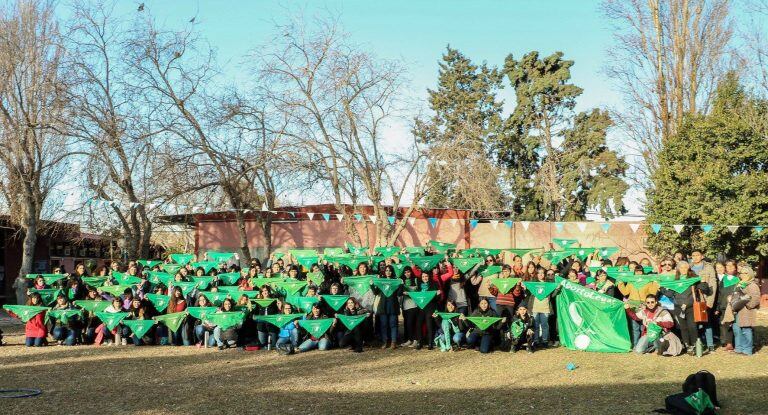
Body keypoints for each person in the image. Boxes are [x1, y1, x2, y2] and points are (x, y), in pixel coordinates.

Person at [659, 261, 711, 355]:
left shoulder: (693, 278)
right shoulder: (675, 280)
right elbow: (670, 294)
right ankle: (688, 346)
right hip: (678, 307)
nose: (683, 269)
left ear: (688, 269)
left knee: (692, 326)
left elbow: (705, 289)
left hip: (691, 307)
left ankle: (695, 345)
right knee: (683, 327)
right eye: (681, 267)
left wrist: (703, 282)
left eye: (685, 267)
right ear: (678, 269)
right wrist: (661, 288)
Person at [689, 250, 718, 352]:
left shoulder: (708, 268)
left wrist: (710, 302)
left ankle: (710, 345)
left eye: (697, 255)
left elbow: (713, 285)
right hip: (692, 299)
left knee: (707, 322)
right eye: (693, 255)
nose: (695, 257)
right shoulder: (689, 267)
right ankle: (698, 343)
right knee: (694, 323)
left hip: (705, 298)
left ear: (702, 256)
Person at [732, 263, 760, 356]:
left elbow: (755, 299)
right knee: (737, 330)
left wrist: (748, 305)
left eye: (745, 273)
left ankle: (747, 350)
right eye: (741, 273)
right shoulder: (739, 283)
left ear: (750, 274)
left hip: (747, 311)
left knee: (746, 330)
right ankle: (739, 348)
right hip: (737, 311)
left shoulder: (752, 285)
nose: (743, 275)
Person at [373, 265, 401, 349]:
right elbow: (375, 292)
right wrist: (371, 285)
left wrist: (401, 284)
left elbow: (399, 293)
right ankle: (385, 341)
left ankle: (393, 342)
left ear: (392, 271)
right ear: (384, 272)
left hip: (393, 306)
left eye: (390, 270)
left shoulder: (395, 281)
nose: (388, 272)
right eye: (386, 270)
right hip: (383, 306)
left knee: (393, 324)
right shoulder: (381, 281)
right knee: (384, 325)